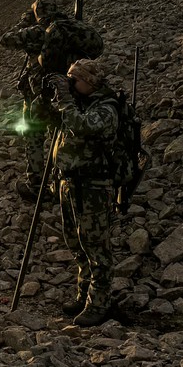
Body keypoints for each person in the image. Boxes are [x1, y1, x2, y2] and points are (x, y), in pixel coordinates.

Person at [0, 0, 104, 200]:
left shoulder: (38, 32)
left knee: (34, 135)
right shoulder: (71, 29)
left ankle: (36, 185)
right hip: (68, 93)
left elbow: (5, 40)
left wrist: (24, 22)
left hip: (41, 93)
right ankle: (65, 183)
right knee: (63, 136)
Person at [45, 57, 120, 326]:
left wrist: (66, 100)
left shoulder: (107, 108)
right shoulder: (78, 104)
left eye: (74, 79)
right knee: (75, 242)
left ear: (90, 81)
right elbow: (57, 125)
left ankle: (99, 302)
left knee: (95, 245)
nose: (71, 84)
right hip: (70, 182)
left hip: (94, 185)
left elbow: (84, 126)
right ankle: (84, 293)